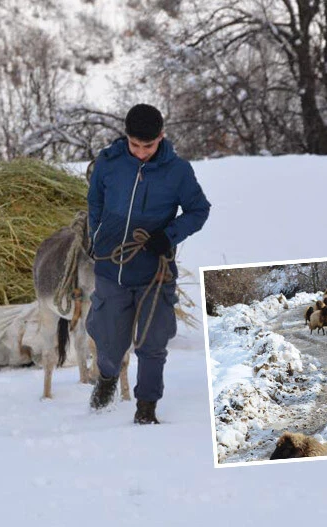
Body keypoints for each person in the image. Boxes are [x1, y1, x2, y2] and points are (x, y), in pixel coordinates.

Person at [86, 104, 211, 424]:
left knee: (152, 344)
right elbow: (95, 202)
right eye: (135, 145)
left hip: (154, 271)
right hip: (111, 269)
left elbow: (199, 210)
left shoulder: (178, 171)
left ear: (161, 138)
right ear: (126, 137)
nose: (141, 153)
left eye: (149, 146)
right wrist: (96, 237)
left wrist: (167, 236)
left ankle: (146, 408)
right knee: (110, 343)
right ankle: (108, 377)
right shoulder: (108, 163)